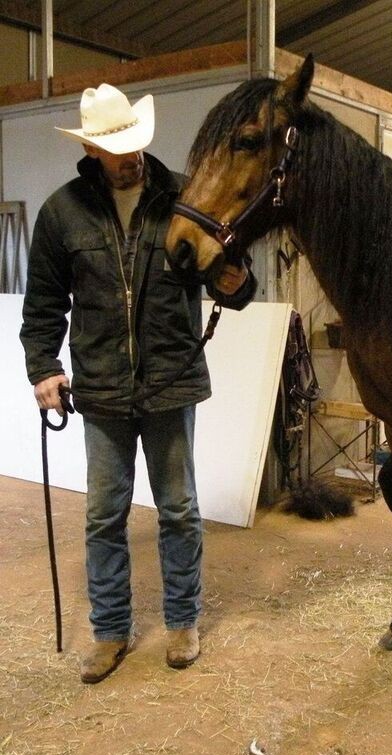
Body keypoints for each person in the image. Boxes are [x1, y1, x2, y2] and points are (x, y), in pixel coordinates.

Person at [19, 83, 257, 684]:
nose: (128, 158)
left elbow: (235, 278)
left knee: (178, 509)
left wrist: (236, 283)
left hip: (170, 379)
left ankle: (182, 622)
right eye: (114, 148)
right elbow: (44, 302)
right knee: (104, 515)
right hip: (99, 387)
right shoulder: (62, 212)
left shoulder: (184, 196)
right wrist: (44, 367)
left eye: (134, 145)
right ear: (91, 149)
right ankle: (109, 630)